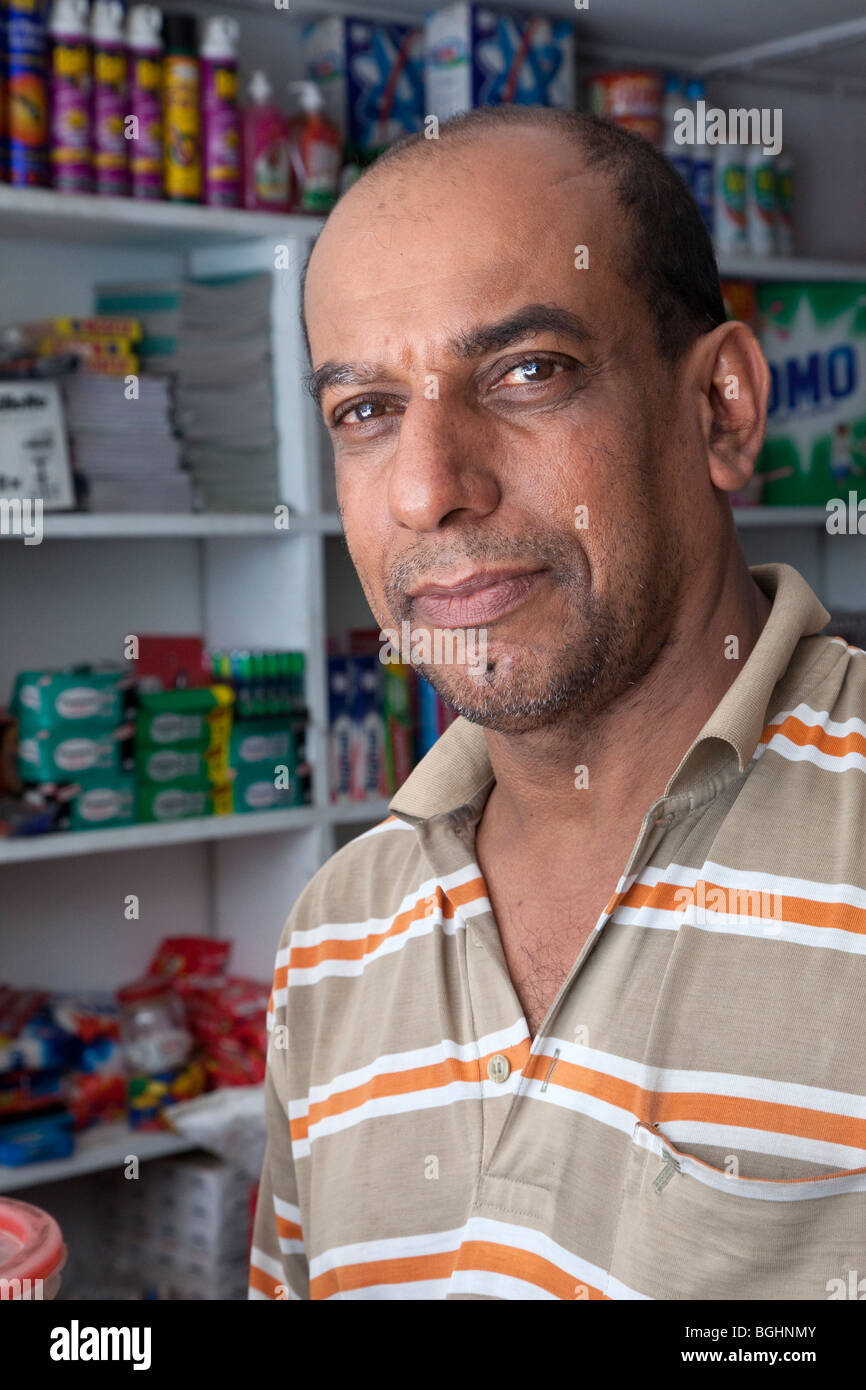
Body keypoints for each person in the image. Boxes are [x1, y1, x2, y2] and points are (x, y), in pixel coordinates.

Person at [250, 107, 866, 1302]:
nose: (429, 488)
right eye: (366, 411)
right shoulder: (332, 936)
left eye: (526, 372)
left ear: (721, 409)